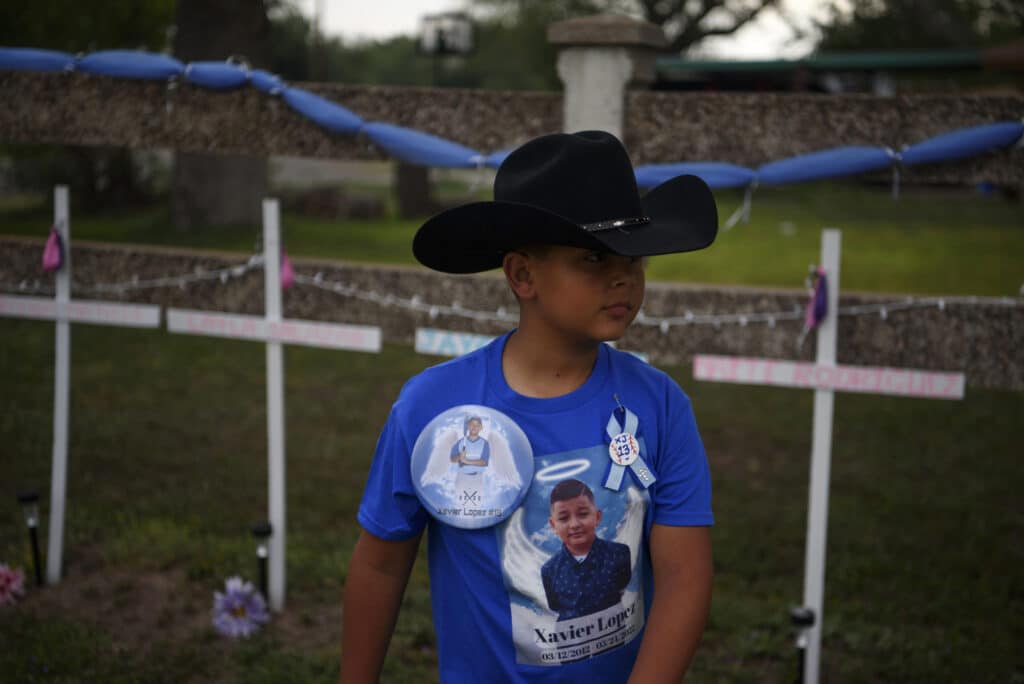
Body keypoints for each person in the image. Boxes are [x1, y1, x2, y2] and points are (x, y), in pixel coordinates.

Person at [341, 130, 717, 683]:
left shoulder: (661, 406)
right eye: (593, 257)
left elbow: (685, 578)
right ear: (522, 275)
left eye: (633, 258)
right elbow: (379, 565)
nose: (623, 276)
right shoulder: (434, 412)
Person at [542, 478, 631, 621]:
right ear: (553, 526)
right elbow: (555, 605)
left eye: (583, 514)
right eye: (564, 518)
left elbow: (623, 584)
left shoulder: (620, 554)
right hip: (569, 639)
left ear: (597, 517)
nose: (574, 524)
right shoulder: (549, 570)